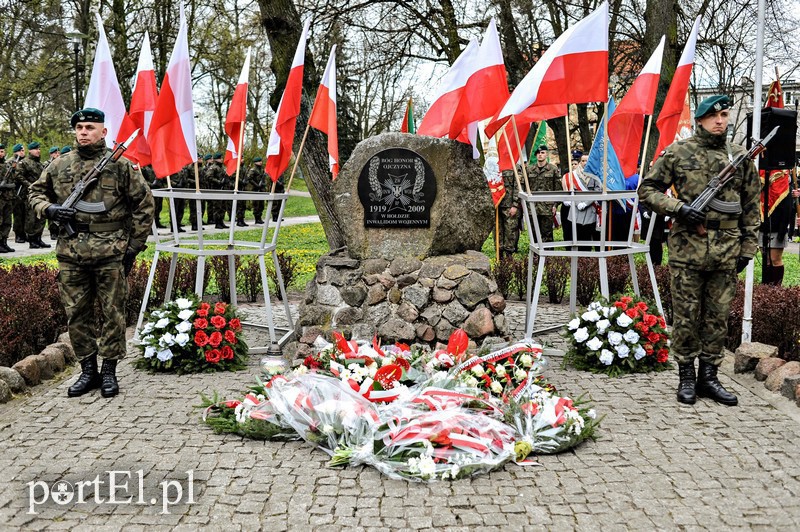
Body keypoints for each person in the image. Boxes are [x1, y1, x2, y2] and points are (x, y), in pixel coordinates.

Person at [639, 95, 759, 407]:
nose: (720, 120)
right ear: (701, 119)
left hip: (726, 251)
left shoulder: (740, 157)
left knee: (718, 318)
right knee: (686, 316)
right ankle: (686, 378)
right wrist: (678, 208)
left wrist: (748, 247)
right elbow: (647, 190)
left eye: (724, 114)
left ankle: (709, 377)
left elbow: (750, 207)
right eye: (714, 115)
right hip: (687, 250)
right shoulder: (678, 152)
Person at [29, 108, 155, 398]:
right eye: (79, 127)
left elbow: (145, 206)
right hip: (71, 253)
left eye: (89, 127)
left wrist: (133, 246)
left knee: (113, 313)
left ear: (103, 132)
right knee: (77, 314)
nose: (83, 132)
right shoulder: (59, 165)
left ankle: (109, 371)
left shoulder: (121, 166)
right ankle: (88, 371)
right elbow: (35, 193)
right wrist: (50, 209)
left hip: (111, 252)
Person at [17, 141, 50, 248]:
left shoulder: (40, 164)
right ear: (30, 150)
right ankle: (32, 240)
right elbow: (19, 176)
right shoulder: (24, 163)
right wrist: (30, 185)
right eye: (36, 149)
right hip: (29, 194)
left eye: (39, 149)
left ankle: (38, 238)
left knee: (41, 216)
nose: (38, 151)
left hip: (42, 194)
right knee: (31, 218)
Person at [527, 145, 560, 242]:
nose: (540, 155)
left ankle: (548, 255)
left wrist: (555, 204)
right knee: (533, 233)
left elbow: (558, 189)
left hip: (547, 207)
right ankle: (535, 254)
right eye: (538, 153)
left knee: (547, 233)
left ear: (547, 155)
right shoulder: (529, 169)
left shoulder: (553, 169)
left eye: (542, 153)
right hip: (533, 206)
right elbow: (525, 188)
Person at [0, 143, 16, 252]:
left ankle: (4, 242)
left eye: (3, 151)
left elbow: (13, 180)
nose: (2, 153)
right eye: (0, 151)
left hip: (8, 198)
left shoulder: (6, 165)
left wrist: (14, 170)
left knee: (7, 222)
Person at [10, 143, 26, 243]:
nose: (23, 152)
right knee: (18, 215)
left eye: (23, 151)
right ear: (17, 152)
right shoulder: (11, 162)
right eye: (21, 151)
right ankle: (18, 235)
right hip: (16, 191)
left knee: (25, 214)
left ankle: (24, 233)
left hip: (24, 191)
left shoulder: (24, 162)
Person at [247, 157, 266, 224]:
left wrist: (263, 184)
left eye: (261, 161)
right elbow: (249, 178)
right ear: (255, 162)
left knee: (261, 205)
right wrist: (256, 185)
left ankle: (260, 217)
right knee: (256, 204)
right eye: (259, 161)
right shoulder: (253, 170)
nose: (260, 162)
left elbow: (263, 179)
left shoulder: (262, 170)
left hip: (261, 189)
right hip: (255, 189)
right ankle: (256, 218)